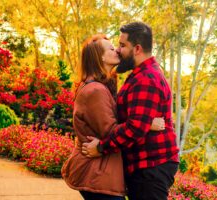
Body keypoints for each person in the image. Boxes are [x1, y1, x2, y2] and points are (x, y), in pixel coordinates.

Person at [82, 22, 180, 200]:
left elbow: (134, 128)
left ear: (137, 49)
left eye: (122, 45)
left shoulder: (145, 79)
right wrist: (147, 124)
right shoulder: (138, 75)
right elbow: (134, 122)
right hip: (145, 165)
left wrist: (101, 147)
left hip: (151, 166)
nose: (118, 50)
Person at [61, 34, 165, 200]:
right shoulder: (96, 90)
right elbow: (110, 132)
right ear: (100, 56)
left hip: (101, 172)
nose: (117, 50)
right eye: (110, 48)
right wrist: (145, 123)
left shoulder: (99, 86)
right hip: (97, 174)